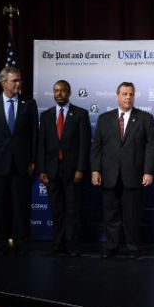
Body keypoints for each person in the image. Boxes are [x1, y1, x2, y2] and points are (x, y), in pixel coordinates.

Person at [91, 82, 154, 259]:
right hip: (109, 175)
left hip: (134, 174)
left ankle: (133, 248)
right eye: (124, 94)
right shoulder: (104, 119)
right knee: (111, 214)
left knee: (132, 215)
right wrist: (95, 170)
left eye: (131, 94)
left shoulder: (145, 118)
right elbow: (97, 147)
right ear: (117, 96)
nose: (128, 97)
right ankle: (112, 246)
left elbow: (151, 147)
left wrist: (148, 171)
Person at [0, 66, 38, 256]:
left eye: (19, 80)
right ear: (3, 82)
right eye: (15, 81)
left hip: (21, 163)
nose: (19, 84)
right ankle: (1, 242)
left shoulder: (29, 104)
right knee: (0, 205)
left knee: (20, 205)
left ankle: (21, 241)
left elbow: (34, 135)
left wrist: (33, 160)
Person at [37, 80, 91, 256]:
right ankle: (58, 243)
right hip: (52, 171)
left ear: (69, 93)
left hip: (72, 170)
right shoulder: (45, 116)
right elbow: (41, 145)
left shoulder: (81, 114)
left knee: (73, 211)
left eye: (62, 91)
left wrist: (81, 169)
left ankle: (72, 246)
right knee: (57, 210)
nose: (59, 93)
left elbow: (84, 145)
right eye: (56, 90)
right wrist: (42, 169)